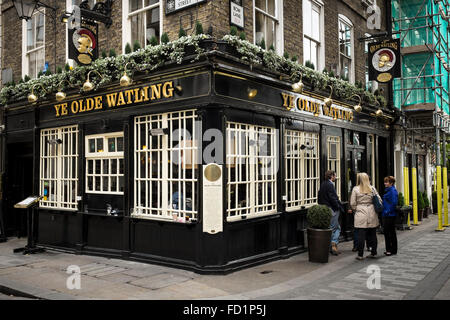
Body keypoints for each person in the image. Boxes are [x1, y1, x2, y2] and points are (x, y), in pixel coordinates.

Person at [350, 172, 382, 260]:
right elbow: (379, 200)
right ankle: (374, 252)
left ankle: (360, 254)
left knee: (361, 235)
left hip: (361, 212)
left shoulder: (355, 189)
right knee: (373, 234)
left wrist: (357, 209)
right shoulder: (372, 189)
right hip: (372, 212)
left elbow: (352, 203)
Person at [318, 170, 344, 256]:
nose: (335, 177)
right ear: (331, 176)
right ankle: (333, 243)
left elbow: (319, 196)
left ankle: (330, 246)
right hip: (332, 209)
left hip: (325, 208)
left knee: (330, 227)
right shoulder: (330, 185)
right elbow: (332, 198)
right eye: (335, 176)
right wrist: (337, 207)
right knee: (336, 228)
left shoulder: (323, 184)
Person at [382, 176, 398, 256]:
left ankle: (389, 250)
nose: (385, 183)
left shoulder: (392, 191)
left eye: (387, 182)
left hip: (389, 215)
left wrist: (388, 211)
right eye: (385, 182)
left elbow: (394, 203)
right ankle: (393, 250)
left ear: (391, 183)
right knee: (391, 232)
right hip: (388, 214)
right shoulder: (389, 190)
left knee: (388, 233)